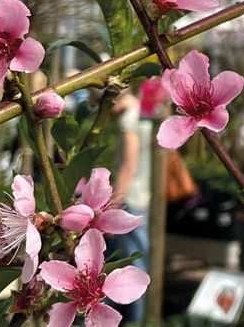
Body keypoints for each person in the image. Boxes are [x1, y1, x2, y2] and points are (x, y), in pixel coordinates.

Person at [111, 90, 152, 323]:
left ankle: (136, 320)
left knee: (133, 265)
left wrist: (113, 204)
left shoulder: (130, 115)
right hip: (140, 198)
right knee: (129, 264)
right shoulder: (143, 112)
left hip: (130, 201)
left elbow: (128, 164)